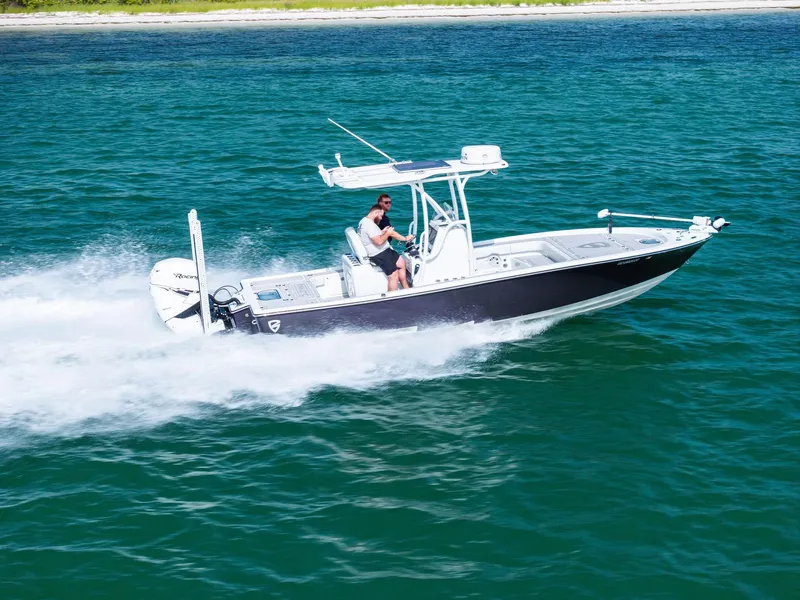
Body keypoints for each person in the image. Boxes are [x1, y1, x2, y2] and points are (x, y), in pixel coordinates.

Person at [359, 204, 410, 291]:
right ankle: (393, 298)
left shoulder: (364, 221)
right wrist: (388, 233)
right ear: (376, 212)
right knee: (393, 275)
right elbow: (378, 242)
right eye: (380, 215)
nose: (381, 218)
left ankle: (406, 289)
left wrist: (382, 232)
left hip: (384, 250)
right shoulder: (369, 225)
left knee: (401, 263)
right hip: (379, 254)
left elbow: (372, 236)